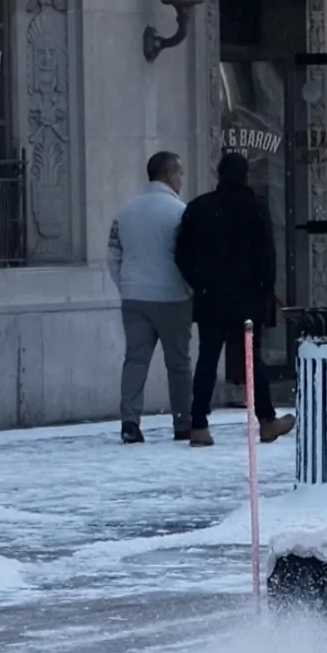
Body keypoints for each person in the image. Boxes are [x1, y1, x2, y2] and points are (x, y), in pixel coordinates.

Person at [174, 150, 294, 447]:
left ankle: (198, 423)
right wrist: (265, 290)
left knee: (207, 358)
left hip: (210, 296)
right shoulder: (256, 208)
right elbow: (267, 257)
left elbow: (182, 254)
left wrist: (199, 282)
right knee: (252, 360)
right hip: (247, 297)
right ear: (245, 175)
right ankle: (266, 420)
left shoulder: (199, 208)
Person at [108, 151, 192, 444]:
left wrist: (125, 285)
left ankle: (130, 421)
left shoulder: (126, 211)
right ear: (170, 175)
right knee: (178, 363)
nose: (182, 179)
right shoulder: (179, 212)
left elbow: (113, 254)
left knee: (135, 360)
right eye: (180, 173)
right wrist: (189, 289)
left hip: (134, 296)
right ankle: (183, 422)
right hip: (173, 296)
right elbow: (189, 256)